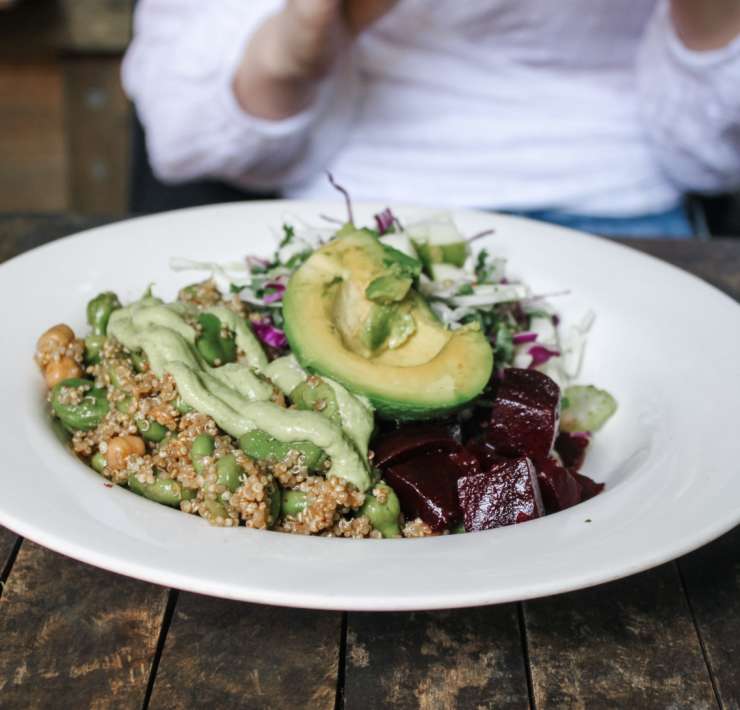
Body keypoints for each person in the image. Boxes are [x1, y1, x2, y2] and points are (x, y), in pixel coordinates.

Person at [123, 1, 740, 237]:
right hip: (354, 208)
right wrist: (301, 39)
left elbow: (711, 159)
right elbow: (181, 134)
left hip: (621, 208)